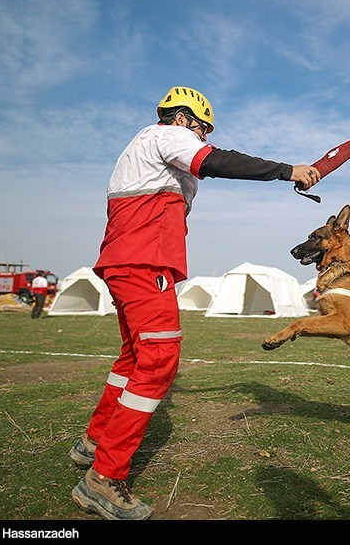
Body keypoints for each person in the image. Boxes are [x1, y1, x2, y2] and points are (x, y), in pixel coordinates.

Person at [69, 86, 321, 520]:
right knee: (160, 360)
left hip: (127, 260)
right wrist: (288, 170)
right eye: (202, 130)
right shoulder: (165, 135)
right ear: (186, 120)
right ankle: (103, 478)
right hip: (144, 262)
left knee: (133, 358)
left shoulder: (146, 152)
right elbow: (216, 161)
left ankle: (93, 442)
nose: (203, 139)